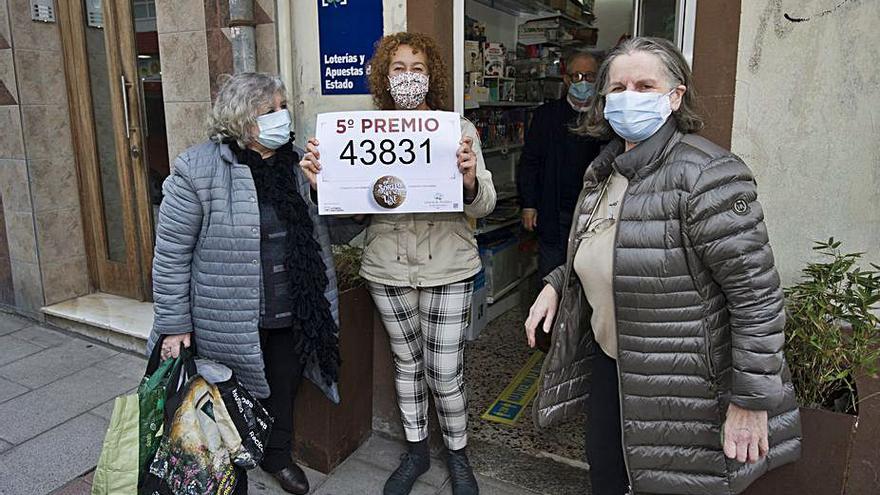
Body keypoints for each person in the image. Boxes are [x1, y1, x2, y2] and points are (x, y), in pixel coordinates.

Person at [524, 38, 802, 495]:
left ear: (675, 96)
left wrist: (752, 401)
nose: (628, 96)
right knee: (608, 478)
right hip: (613, 367)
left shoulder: (707, 174)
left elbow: (758, 299)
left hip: (684, 386)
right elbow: (600, 248)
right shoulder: (605, 170)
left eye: (645, 85)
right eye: (618, 87)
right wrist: (558, 283)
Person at [300, 32, 496, 495]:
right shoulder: (363, 133)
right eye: (399, 69)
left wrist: (469, 181)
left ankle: (458, 454)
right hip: (388, 267)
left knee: (444, 370)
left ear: (433, 77)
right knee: (407, 365)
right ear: (385, 78)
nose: (409, 78)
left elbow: (484, 205)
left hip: (448, 264)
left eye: (419, 69)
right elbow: (351, 214)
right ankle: (416, 452)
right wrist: (320, 185)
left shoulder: (457, 130)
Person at [147, 73, 342, 495]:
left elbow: (341, 231)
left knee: (283, 388)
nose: (282, 116)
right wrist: (175, 324)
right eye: (270, 110)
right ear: (242, 120)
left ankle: (277, 456)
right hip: (227, 317)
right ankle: (222, 467)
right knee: (224, 396)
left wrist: (324, 188)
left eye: (283, 106)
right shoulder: (196, 169)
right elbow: (171, 255)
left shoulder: (299, 165)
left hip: (293, 307)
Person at [517, 50, 608, 278]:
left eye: (589, 76)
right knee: (552, 275)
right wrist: (529, 204)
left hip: (596, 214)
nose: (583, 82)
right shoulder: (546, 116)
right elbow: (530, 162)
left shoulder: (608, 116)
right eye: (577, 76)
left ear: (599, 80)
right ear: (566, 79)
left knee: (590, 277)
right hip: (555, 211)